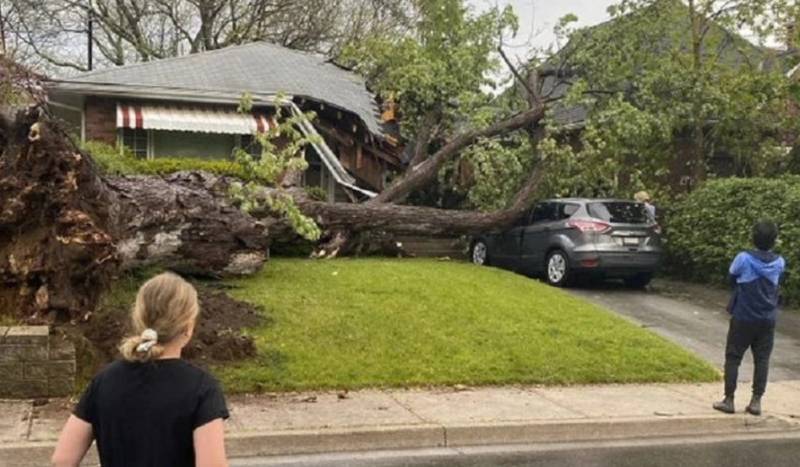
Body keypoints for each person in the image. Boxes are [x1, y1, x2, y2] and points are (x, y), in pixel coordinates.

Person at [52, 272, 229, 467]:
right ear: (188, 327)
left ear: (139, 320)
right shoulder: (202, 389)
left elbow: (63, 459)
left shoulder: (105, 381)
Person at [713, 221, 785, 416]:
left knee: (733, 357)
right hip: (767, 317)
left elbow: (731, 277)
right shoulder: (779, 262)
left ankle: (729, 399)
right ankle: (756, 401)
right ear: (774, 240)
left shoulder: (743, 258)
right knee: (762, 359)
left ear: (753, 238)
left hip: (743, 315)